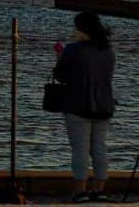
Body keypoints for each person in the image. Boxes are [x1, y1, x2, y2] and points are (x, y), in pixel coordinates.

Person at [53, 11, 116, 203]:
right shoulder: (108, 51)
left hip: (78, 104)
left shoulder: (73, 49)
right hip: (104, 105)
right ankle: (99, 189)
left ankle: (80, 191)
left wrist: (59, 56)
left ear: (80, 28)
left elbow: (60, 76)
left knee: (80, 149)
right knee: (99, 148)